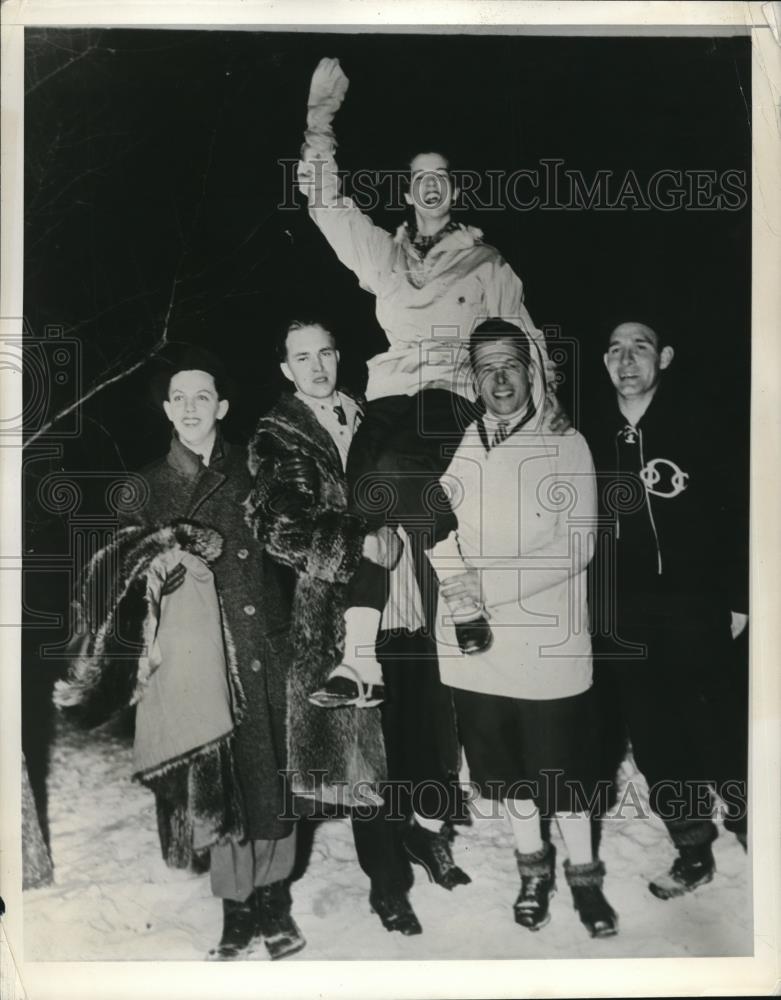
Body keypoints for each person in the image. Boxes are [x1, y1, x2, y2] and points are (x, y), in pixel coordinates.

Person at [297, 57, 565, 707]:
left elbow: (524, 335)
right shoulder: (386, 259)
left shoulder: (485, 261)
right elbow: (325, 204)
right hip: (390, 388)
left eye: (441, 178)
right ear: (409, 190)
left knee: (396, 470)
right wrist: (319, 122)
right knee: (365, 494)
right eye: (420, 179)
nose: (431, 188)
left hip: (449, 388)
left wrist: (548, 408)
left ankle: (444, 605)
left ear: (453, 190)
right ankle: (363, 662)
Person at [55, 346, 304, 961]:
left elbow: (296, 549)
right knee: (215, 782)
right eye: (179, 398)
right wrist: (169, 546)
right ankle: (235, 907)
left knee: (269, 775)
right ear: (167, 411)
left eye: (203, 396)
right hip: (193, 660)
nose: (191, 408)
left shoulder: (257, 467)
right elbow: (114, 578)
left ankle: (274, 900)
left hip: (262, 646)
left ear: (221, 405)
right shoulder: (142, 486)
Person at [244, 319, 472, 937]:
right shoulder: (276, 434)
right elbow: (279, 527)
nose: (316, 366)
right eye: (301, 358)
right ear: (285, 369)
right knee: (367, 759)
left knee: (426, 735)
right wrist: (357, 541)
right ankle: (387, 887)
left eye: (324, 353)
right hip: (340, 614)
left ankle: (426, 838)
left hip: (411, 597)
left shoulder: (371, 412)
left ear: (338, 357)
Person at [428, 319, 618, 938]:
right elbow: (440, 527)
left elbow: (579, 546)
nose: (500, 378)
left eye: (510, 364)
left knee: (561, 774)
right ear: (473, 379)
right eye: (486, 368)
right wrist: (457, 586)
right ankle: (533, 872)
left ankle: (584, 878)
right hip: (480, 651)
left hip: (547, 646)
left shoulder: (567, 444)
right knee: (508, 773)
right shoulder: (463, 443)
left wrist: (488, 591)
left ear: (532, 370)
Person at [585, 320, 749, 898]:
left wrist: (739, 597)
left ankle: (756, 826)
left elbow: (740, 512)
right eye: (615, 350)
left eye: (641, 347)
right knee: (656, 738)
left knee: (719, 725)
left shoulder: (702, 423)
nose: (627, 360)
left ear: (666, 357)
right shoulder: (589, 433)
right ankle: (691, 848)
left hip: (695, 602)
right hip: (626, 613)